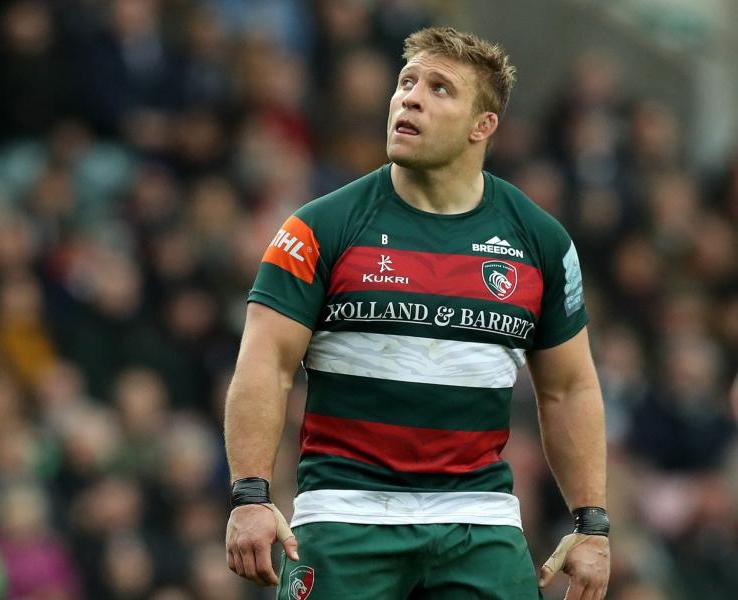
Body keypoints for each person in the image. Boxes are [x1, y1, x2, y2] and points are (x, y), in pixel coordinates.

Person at [224, 27, 610, 599]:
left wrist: (591, 524)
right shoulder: (320, 227)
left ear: (483, 126)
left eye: (439, 88)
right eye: (406, 82)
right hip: (344, 519)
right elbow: (265, 365)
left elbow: (568, 388)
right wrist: (251, 495)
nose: (411, 97)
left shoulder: (541, 242)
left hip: (479, 524)